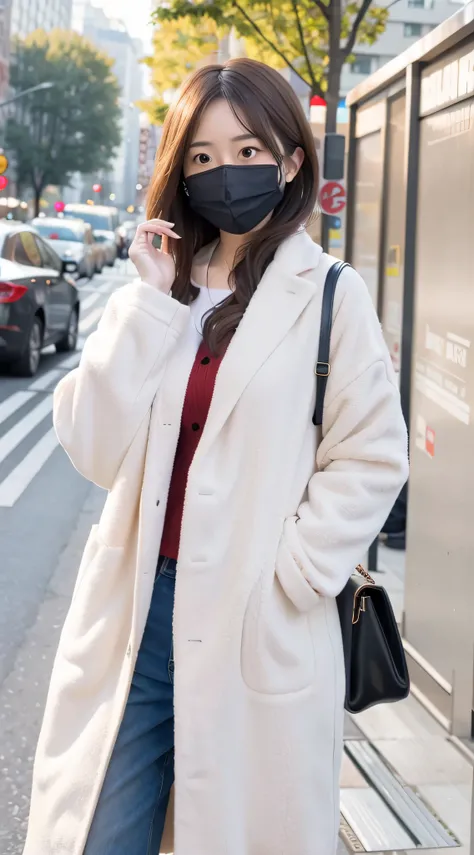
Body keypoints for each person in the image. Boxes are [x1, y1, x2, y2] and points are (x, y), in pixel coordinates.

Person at [23, 59, 409, 855]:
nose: (223, 172)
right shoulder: (161, 292)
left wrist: (293, 573)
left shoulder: (331, 294)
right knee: (94, 834)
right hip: (135, 621)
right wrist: (145, 304)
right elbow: (92, 447)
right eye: (200, 157)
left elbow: (371, 454)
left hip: (251, 621)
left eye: (245, 150)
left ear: (291, 160)